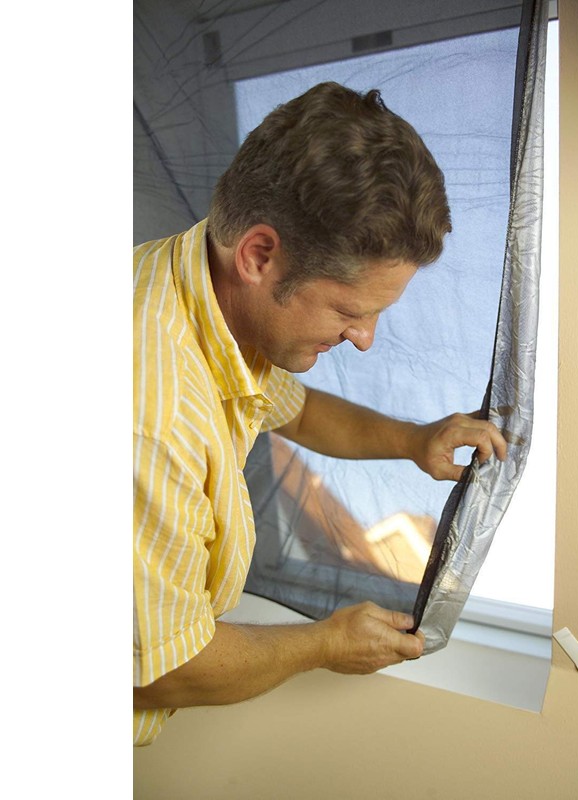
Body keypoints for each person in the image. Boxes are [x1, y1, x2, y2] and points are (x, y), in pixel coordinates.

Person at [133, 82, 507, 746]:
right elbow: (160, 669)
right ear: (259, 255)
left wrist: (413, 439)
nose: (364, 339)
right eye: (349, 311)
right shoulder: (148, 415)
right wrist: (324, 644)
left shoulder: (200, 291)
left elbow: (297, 412)